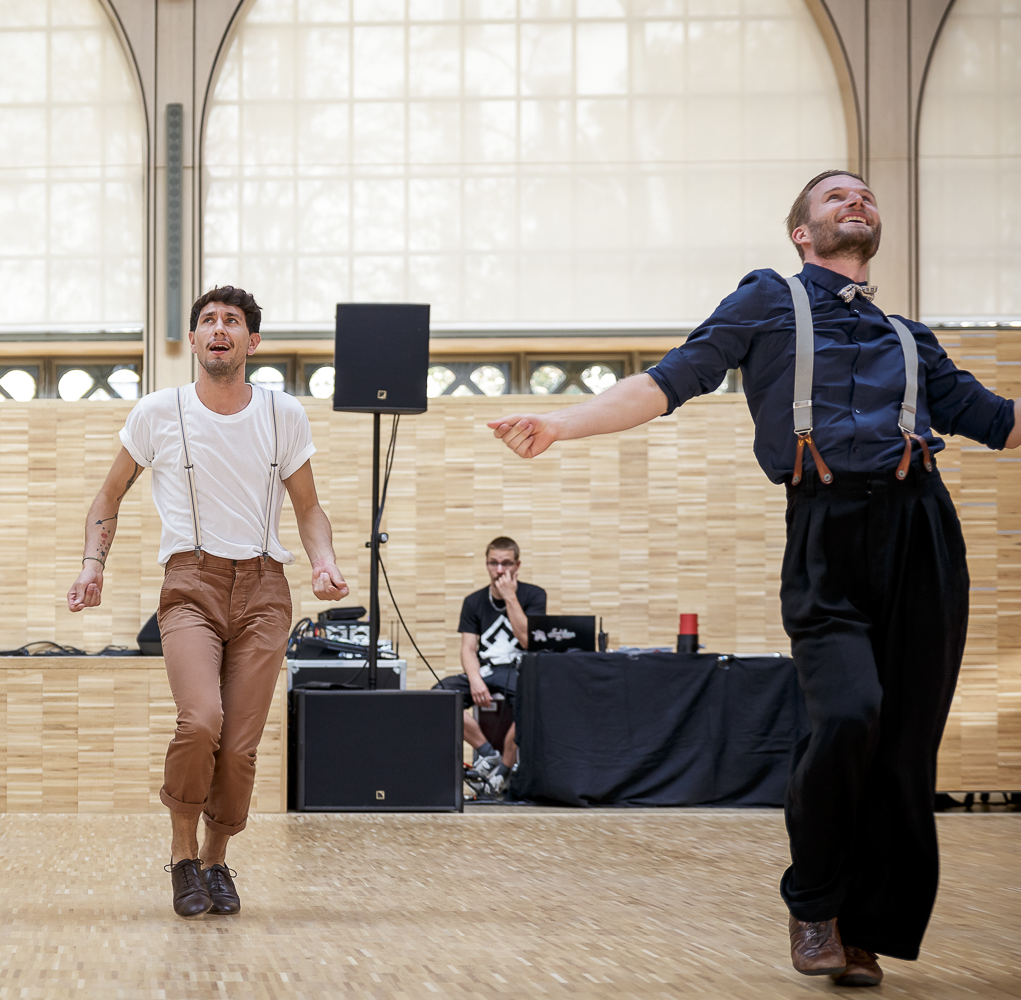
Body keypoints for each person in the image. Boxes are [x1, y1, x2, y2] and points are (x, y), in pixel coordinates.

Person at [488, 170, 1020, 987]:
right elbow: (668, 380)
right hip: (826, 533)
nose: (857, 200)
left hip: (923, 535)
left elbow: (1000, 423)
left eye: (866, 195)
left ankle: (866, 927)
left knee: (905, 747)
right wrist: (560, 422)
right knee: (847, 713)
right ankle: (814, 902)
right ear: (801, 232)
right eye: (836, 195)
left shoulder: (914, 339)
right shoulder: (769, 301)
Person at [67, 286, 349, 919]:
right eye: (207, 321)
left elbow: (308, 508)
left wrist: (325, 563)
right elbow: (106, 500)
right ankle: (181, 856)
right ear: (192, 341)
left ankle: (218, 859)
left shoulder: (283, 414)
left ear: (252, 342)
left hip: (265, 589)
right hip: (189, 585)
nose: (218, 329)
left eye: (232, 321)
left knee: (241, 745)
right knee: (201, 722)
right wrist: (93, 567)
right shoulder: (157, 413)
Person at [432, 536, 546, 797]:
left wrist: (510, 598)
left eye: (506, 563)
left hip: (520, 669)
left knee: (534, 704)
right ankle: (487, 754)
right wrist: (474, 679)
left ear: (517, 565)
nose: (500, 570)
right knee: (439, 696)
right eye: (493, 563)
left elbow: (527, 640)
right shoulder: (473, 602)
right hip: (486, 670)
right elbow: (468, 648)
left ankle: (503, 773)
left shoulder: (534, 595)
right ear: (486, 564)